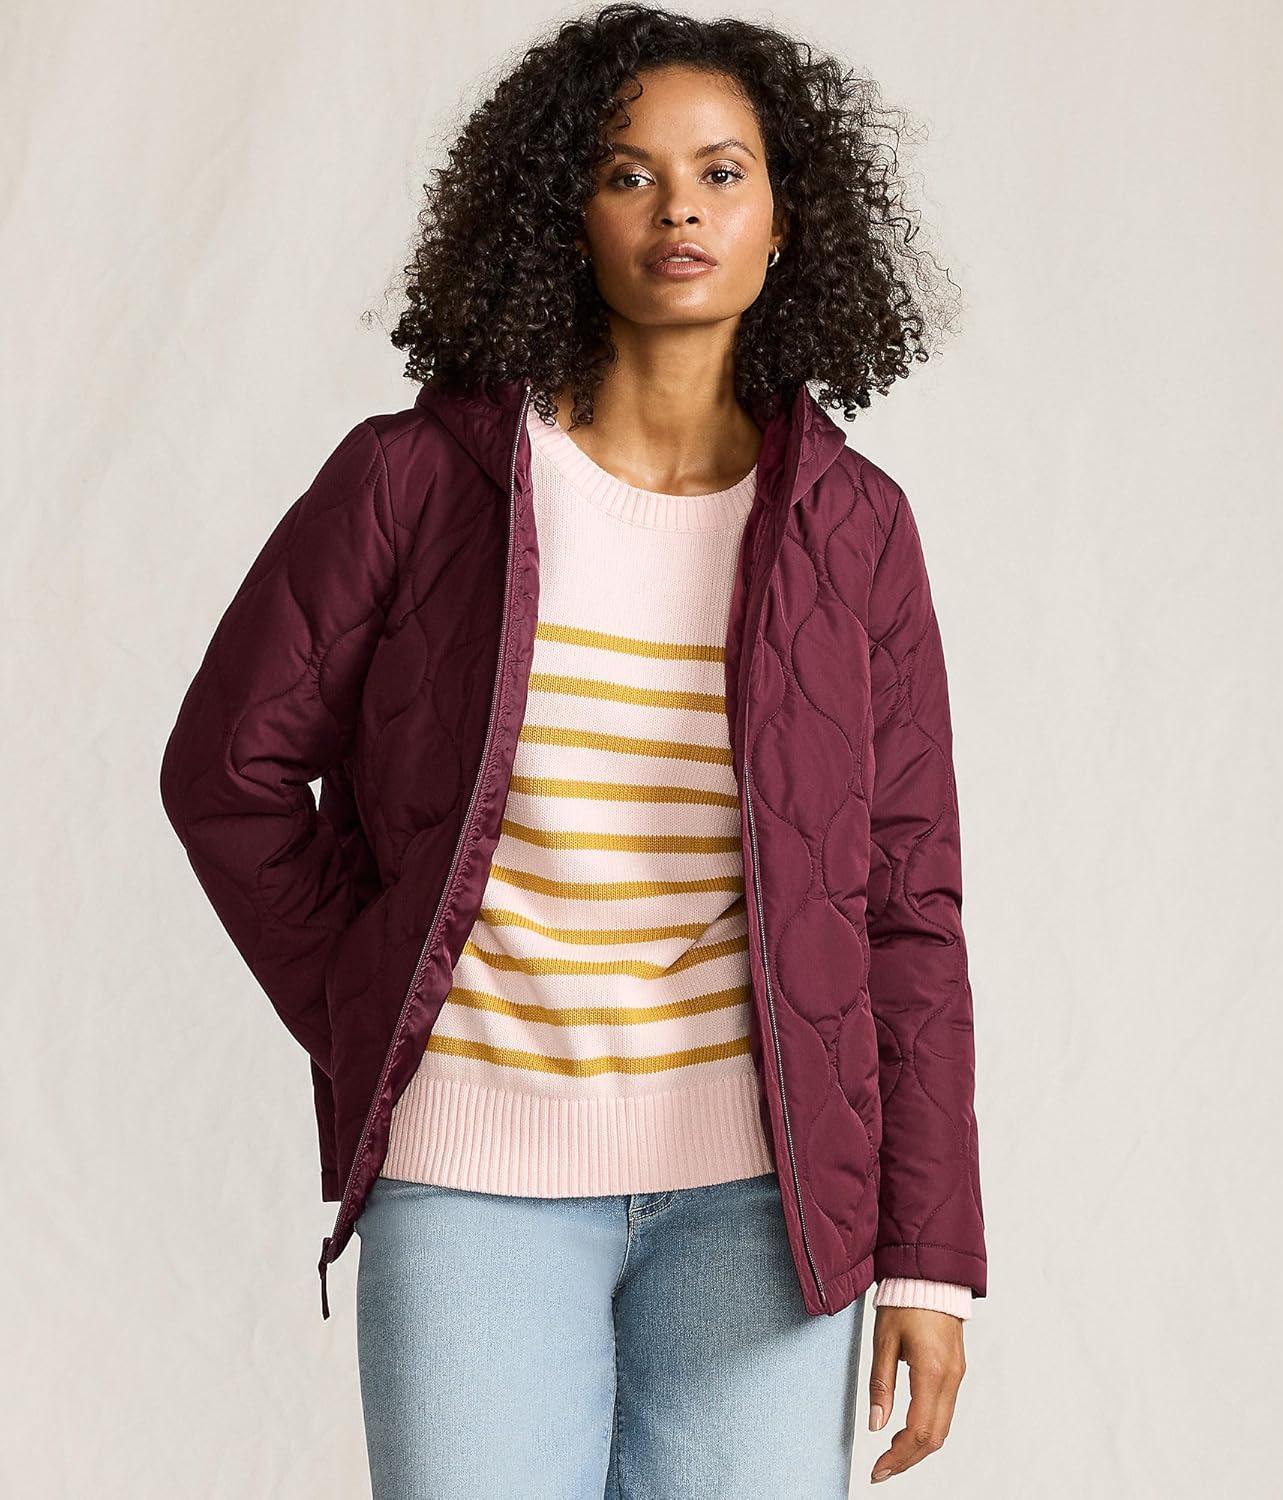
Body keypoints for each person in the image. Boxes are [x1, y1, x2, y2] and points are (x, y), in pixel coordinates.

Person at [159, 5, 985, 1494]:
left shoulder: (855, 528)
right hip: (470, 1181)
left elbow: (905, 904)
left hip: (765, 1198)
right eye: (627, 174)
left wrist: (929, 1257)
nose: (681, 211)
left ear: (788, 218)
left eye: (722, 173)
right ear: (561, 217)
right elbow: (230, 771)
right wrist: (377, 1000)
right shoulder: (417, 482)